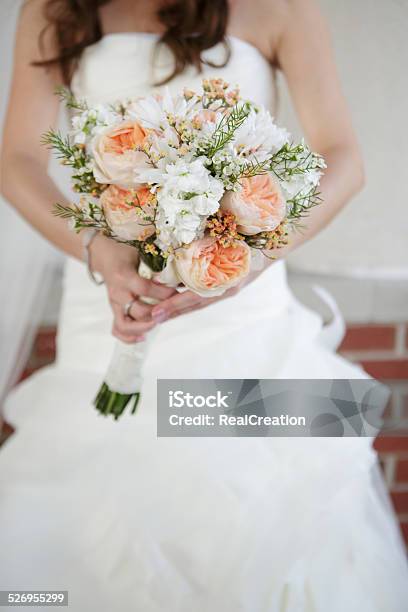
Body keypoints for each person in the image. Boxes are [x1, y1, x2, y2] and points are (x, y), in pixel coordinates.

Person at [0, 1, 407, 610]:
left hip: (245, 307)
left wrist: (257, 256)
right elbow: (17, 160)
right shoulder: (57, 7)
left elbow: (343, 159)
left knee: (274, 502)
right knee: (101, 504)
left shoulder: (282, 8)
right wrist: (96, 247)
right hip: (106, 295)